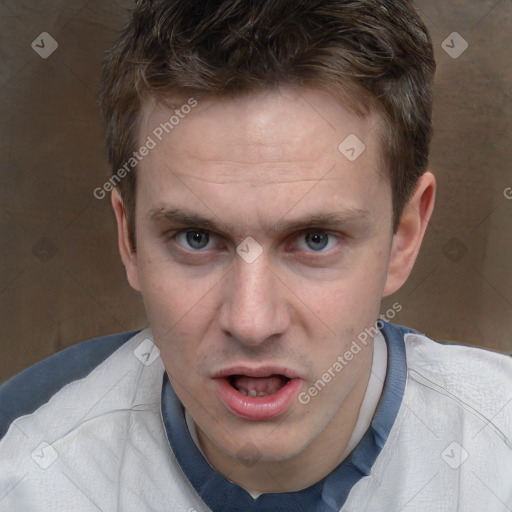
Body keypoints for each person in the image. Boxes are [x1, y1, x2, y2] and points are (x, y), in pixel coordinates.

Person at [1, 0, 511, 510]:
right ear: (129, 239)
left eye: (315, 239)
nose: (251, 321)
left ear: (404, 236)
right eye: (196, 238)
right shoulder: (31, 486)